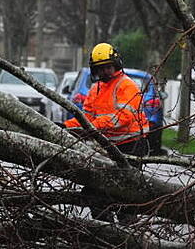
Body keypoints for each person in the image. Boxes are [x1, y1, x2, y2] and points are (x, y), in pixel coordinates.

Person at [63, 43, 148, 221]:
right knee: (97, 192)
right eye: (101, 68)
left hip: (131, 145)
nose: (105, 72)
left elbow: (123, 117)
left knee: (127, 192)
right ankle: (104, 231)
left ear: (116, 65)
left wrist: (94, 127)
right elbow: (85, 117)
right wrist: (66, 126)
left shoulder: (127, 86)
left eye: (108, 67)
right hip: (107, 146)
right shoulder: (96, 89)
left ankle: (129, 229)